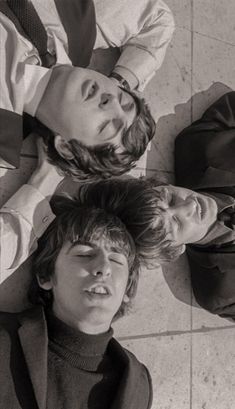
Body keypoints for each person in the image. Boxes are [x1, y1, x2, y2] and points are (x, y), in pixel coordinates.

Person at [78, 92, 235, 321]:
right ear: (176, 249)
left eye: (170, 198)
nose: (189, 206)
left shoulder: (200, 147)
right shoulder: (221, 293)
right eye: (177, 224)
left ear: (163, 184)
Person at [0, 193, 153, 409]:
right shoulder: (4, 340)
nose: (104, 268)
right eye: (84, 254)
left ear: (128, 289)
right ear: (46, 276)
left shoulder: (140, 384)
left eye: (116, 259)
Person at [0, 0, 174, 180]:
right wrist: (120, 80)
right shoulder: (81, 29)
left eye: (106, 126)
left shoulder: (4, 127)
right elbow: (158, 20)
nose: (111, 101)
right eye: (123, 99)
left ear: (66, 147)